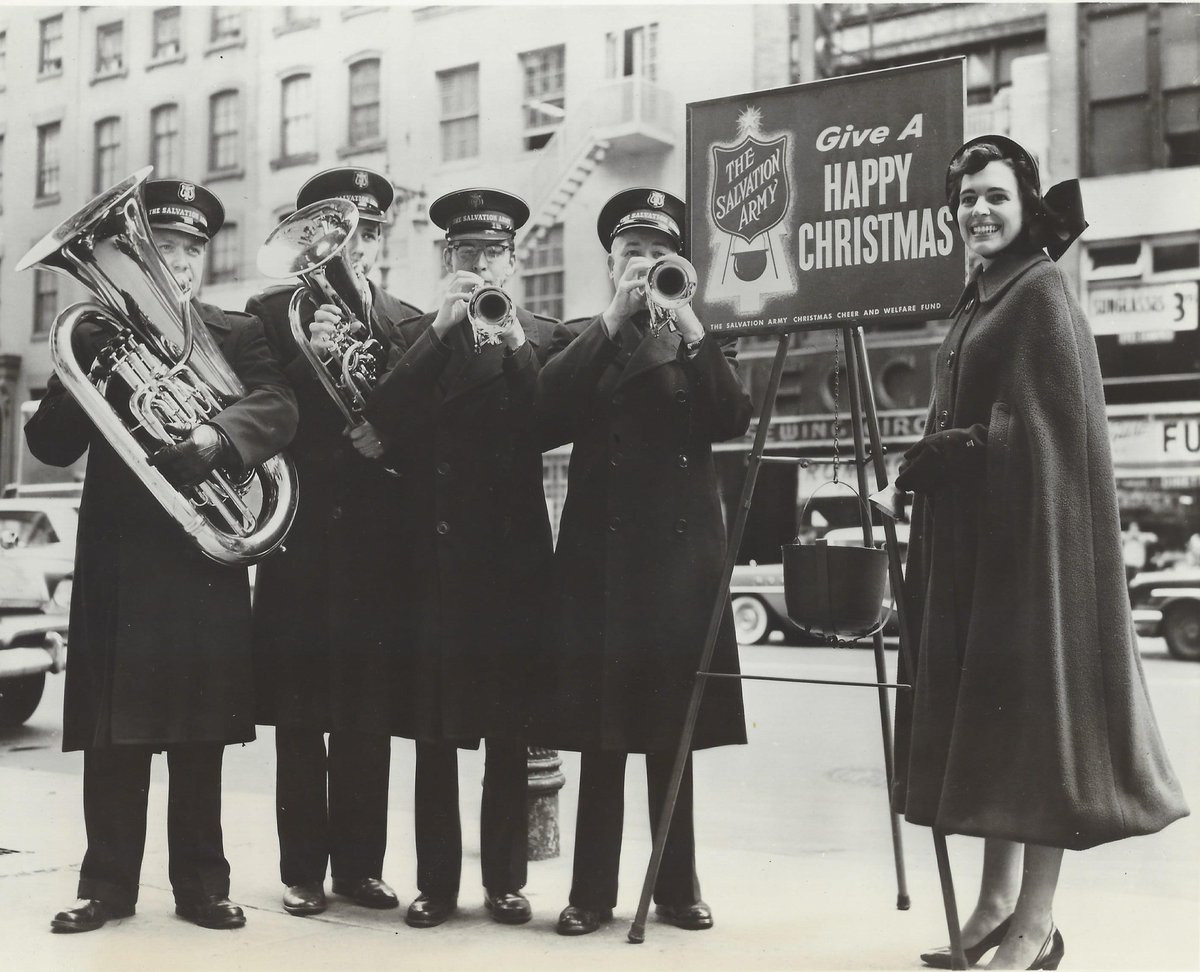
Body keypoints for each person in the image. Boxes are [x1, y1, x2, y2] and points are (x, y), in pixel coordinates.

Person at [890, 136, 1188, 970]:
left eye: (994, 196)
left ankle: (1037, 923)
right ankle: (994, 905)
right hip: (977, 551)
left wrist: (955, 450)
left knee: (1034, 733)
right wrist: (934, 459)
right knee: (993, 732)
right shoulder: (980, 297)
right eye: (964, 199)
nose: (976, 210)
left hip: (1030, 557)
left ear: (1025, 209)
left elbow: (1054, 437)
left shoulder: (1041, 291)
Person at [26, 178, 299, 933]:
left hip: (198, 558)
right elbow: (49, 448)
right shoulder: (94, 337)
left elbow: (279, 406)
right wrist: (83, 373)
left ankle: (203, 885)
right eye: (165, 249)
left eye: (188, 252)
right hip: (121, 557)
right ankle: (106, 887)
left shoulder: (234, 334)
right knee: (115, 734)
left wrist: (217, 437)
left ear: (203, 263)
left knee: (199, 730)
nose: (177, 264)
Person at [531, 188, 753, 936]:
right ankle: (592, 893)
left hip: (679, 563)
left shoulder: (696, 334)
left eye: (657, 255)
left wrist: (690, 328)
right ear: (609, 261)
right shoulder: (582, 335)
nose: (642, 266)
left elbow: (731, 416)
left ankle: (676, 885)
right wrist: (613, 321)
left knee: (674, 734)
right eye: (630, 253)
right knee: (602, 734)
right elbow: (544, 413)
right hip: (602, 557)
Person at [361, 187, 557, 928]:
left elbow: (550, 420)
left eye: (492, 254)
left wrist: (508, 344)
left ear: (514, 260)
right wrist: (443, 328)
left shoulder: (539, 333)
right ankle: (436, 885)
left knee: (506, 731)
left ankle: (506, 882)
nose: (480, 266)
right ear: (446, 258)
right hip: (437, 564)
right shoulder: (419, 330)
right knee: (437, 736)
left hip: (509, 566)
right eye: (465, 254)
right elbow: (384, 413)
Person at [248, 167, 422, 917]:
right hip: (302, 543)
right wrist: (301, 355)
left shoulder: (411, 320)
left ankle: (360, 868)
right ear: (308, 236)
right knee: (299, 718)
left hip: (376, 552)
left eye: (370, 231)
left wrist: (392, 436)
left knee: (366, 715)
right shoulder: (267, 313)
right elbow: (257, 416)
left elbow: (427, 431)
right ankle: (300, 873)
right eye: (338, 231)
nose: (355, 245)